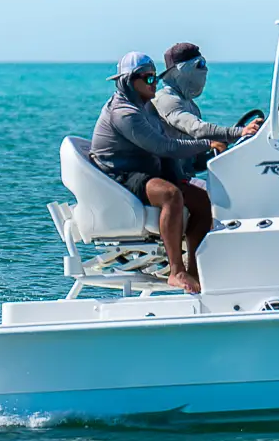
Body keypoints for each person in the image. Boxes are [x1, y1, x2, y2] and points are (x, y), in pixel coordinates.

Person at [89, 52, 218, 293]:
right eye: (148, 78)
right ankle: (176, 271)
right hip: (120, 177)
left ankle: (194, 272)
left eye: (155, 77)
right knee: (170, 194)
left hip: (144, 171)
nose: (154, 83)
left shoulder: (146, 106)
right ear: (129, 81)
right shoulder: (124, 112)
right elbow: (164, 147)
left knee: (202, 201)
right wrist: (208, 143)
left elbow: (168, 146)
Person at [154, 43, 259, 178]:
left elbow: (195, 161)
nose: (206, 69)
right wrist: (239, 132)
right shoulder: (166, 99)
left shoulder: (190, 105)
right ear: (179, 71)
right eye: (200, 64)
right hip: (166, 179)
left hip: (185, 176)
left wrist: (225, 143)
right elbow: (196, 129)